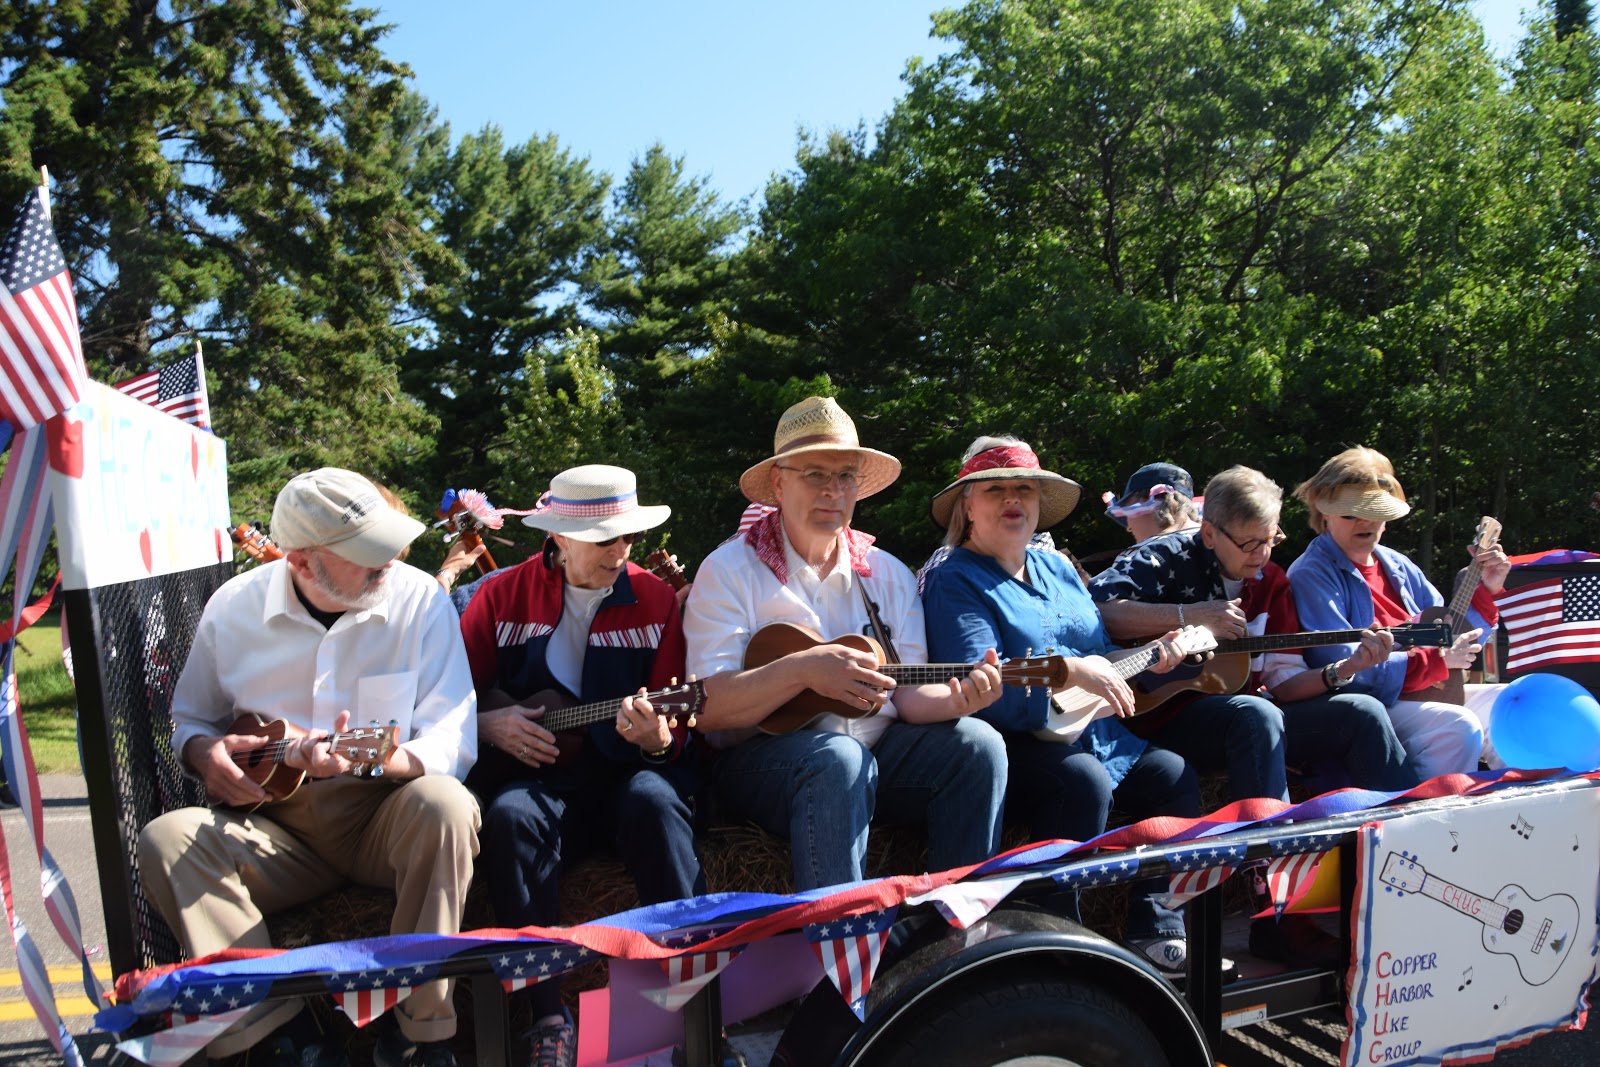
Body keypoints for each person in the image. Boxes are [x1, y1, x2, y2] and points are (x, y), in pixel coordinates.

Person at [138, 468, 480, 1067]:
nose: (390, 561)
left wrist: (387, 759)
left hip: (382, 814)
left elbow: (453, 731)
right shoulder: (233, 609)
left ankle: (419, 1037)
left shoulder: (419, 596)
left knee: (447, 805)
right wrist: (204, 756)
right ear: (301, 562)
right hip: (276, 828)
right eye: (368, 552)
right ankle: (277, 1037)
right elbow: (190, 721)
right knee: (166, 839)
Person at [1088, 465, 1420, 966]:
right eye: (1249, 545)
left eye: (1272, 540)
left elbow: (1285, 684)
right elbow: (1099, 609)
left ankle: (1417, 862)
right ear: (1208, 533)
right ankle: (1277, 912)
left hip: (1244, 718)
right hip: (1157, 715)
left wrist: (1345, 668)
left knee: (1362, 712)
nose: (1263, 556)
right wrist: (1188, 616)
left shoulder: (1272, 580)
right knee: (1254, 715)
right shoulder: (1159, 557)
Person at [682, 396, 1009, 891]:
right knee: (837, 758)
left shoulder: (888, 575)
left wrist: (960, 699)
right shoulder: (728, 572)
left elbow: (907, 693)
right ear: (778, 482)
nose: (833, 492)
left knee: (979, 746)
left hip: (877, 755)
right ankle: (839, 950)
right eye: (815, 474)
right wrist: (801, 671)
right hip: (764, 764)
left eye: (845, 477)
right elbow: (708, 710)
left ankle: (958, 928)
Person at [919, 435, 1203, 977]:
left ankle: (1155, 926)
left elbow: (1098, 655)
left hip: (1094, 731)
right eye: (995, 488)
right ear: (967, 506)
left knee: (1172, 777)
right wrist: (1073, 673)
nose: (1013, 499)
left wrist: (1151, 658)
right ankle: (1056, 944)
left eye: (1024, 488)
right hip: (1014, 738)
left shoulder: (1059, 569)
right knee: (1082, 783)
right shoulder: (954, 579)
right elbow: (977, 680)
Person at [457, 465, 701, 1067]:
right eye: (605, 540)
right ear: (559, 538)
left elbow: (682, 726)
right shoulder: (499, 595)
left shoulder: (655, 599)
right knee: (510, 816)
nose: (620, 552)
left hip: (624, 775)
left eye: (628, 538)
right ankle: (547, 1018)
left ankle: (693, 1003)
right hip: (538, 781)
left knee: (656, 799)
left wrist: (657, 742)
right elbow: (448, 697)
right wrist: (489, 724)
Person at [1287, 447, 1506, 781]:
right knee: (1457, 725)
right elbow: (1341, 662)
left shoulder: (1398, 564)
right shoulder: (1311, 573)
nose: (1364, 522)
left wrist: (1486, 591)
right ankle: (1431, 823)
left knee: (1509, 702)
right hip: (1365, 706)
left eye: (1373, 511)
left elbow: (1452, 636)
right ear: (1324, 515)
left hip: (1422, 693)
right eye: (1350, 514)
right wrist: (1435, 661)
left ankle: (1529, 814)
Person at [1103, 462, 1202, 546]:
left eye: (1128, 512)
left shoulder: (1145, 559)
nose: (1129, 528)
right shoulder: (1211, 541)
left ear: (1151, 502)